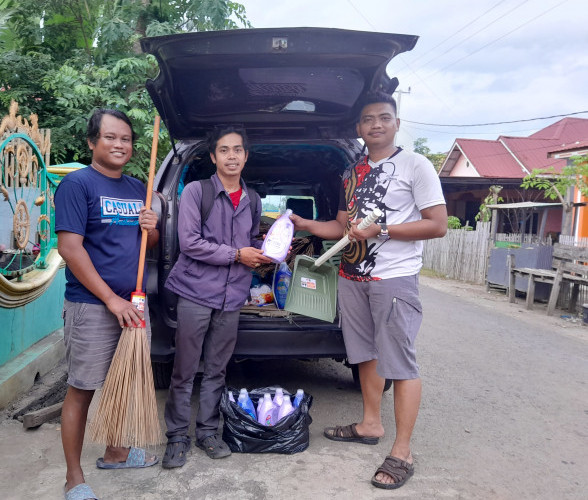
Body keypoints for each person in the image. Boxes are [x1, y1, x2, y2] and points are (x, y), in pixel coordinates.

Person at [290, 92, 447, 490]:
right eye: (367, 119)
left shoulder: (416, 165)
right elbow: (341, 228)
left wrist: (384, 230)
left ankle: (402, 452)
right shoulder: (351, 174)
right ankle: (370, 423)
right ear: (358, 128)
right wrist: (305, 225)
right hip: (351, 277)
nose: (375, 124)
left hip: (393, 278)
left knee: (400, 362)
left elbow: (437, 224)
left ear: (396, 122)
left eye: (383, 117)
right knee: (364, 355)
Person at [54, 109, 160, 500]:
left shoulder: (138, 189)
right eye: (111, 137)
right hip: (93, 305)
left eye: (126, 139)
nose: (120, 145)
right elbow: (70, 248)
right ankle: (74, 478)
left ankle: (116, 453)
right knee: (82, 389)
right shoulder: (77, 185)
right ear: (92, 142)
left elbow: (149, 247)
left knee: (125, 381)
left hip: (134, 303)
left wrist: (153, 228)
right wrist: (110, 299)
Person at [161, 125, 272, 469]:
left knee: (217, 370)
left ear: (246, 155)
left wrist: (267, 250)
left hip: (233, 296)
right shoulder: (196, 192)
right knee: (184, 369)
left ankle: (207, 432)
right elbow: (190, 242)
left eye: (237, 149)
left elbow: (251, 238)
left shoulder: (252, 199)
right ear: (213, 157)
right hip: (196, 292)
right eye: (224, 150)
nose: (231, 156)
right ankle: (177, 436)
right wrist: (239, 255)